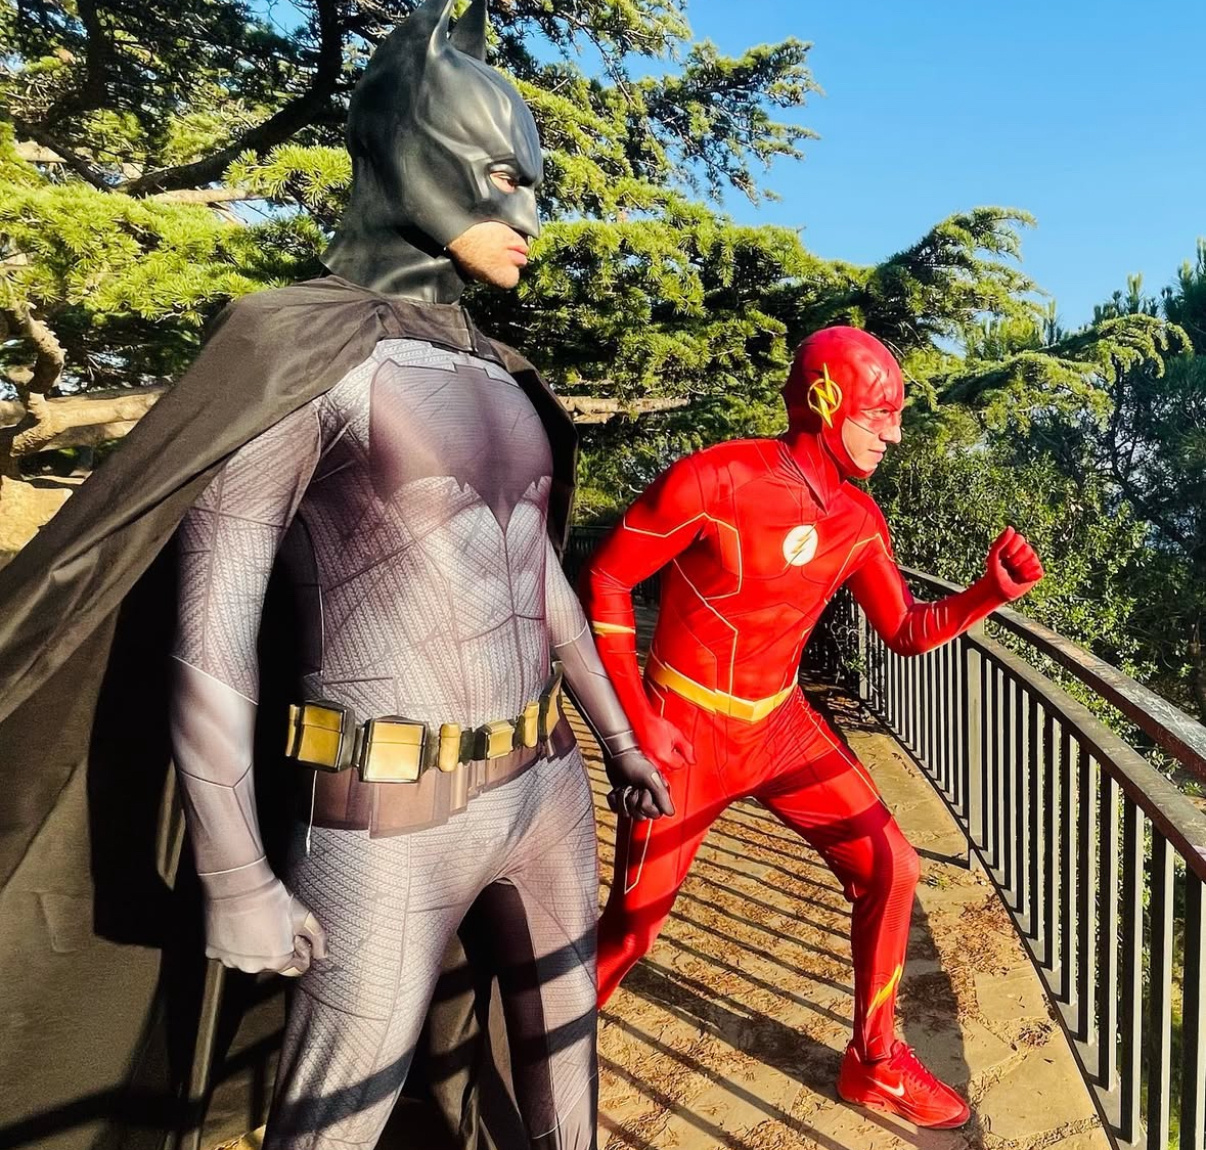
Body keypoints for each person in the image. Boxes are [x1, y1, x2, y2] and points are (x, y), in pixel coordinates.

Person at [0, 2, 669, 1147]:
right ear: (416, 154)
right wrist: (235, 872)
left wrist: (618, 739)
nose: (529, 218)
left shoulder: (502, 375)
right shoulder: (295, 351)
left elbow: (540, 579)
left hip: (546, 791)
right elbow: (211, 633)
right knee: (333, 1116)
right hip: (383, 819)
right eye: (504, 179)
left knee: (567, 1085)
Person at [580, 325, 1044, 1129]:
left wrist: (986, 595)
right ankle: (526, 1045)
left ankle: (874, 1062)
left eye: (897, 416)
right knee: (630, 933)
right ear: (826, 402)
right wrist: (636, 722)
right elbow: (608, 577)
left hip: (781, 726)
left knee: (893, 867)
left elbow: (906, 630)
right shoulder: (715, 477)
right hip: (685, 728)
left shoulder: (859, 518)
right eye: (879, 414)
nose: (894, 434)